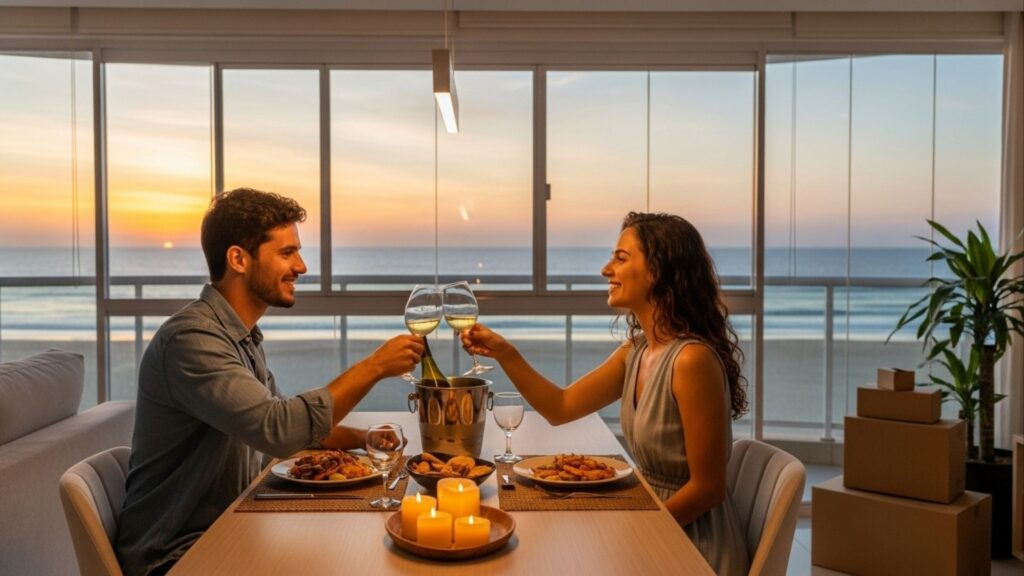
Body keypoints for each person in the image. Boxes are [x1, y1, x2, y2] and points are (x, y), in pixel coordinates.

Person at [116, 188, 424, 576]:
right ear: (238, 259)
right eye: (286, 253)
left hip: (231, 530)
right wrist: (375, 366)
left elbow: (289, 425)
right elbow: (279, 431)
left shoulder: (240, 337)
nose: (302, 266)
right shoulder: (192, 340)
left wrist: (361, 440)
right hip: (179, 557)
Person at [462, 212, 750, 575]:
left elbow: (708, 490)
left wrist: (639, 530)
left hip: (691, 542)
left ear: (659, 271)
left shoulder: (692, 360)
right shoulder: (637, 351)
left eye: (621, 258)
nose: (605, 269)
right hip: (651, 518)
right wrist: (504, 352)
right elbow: (560, 407)